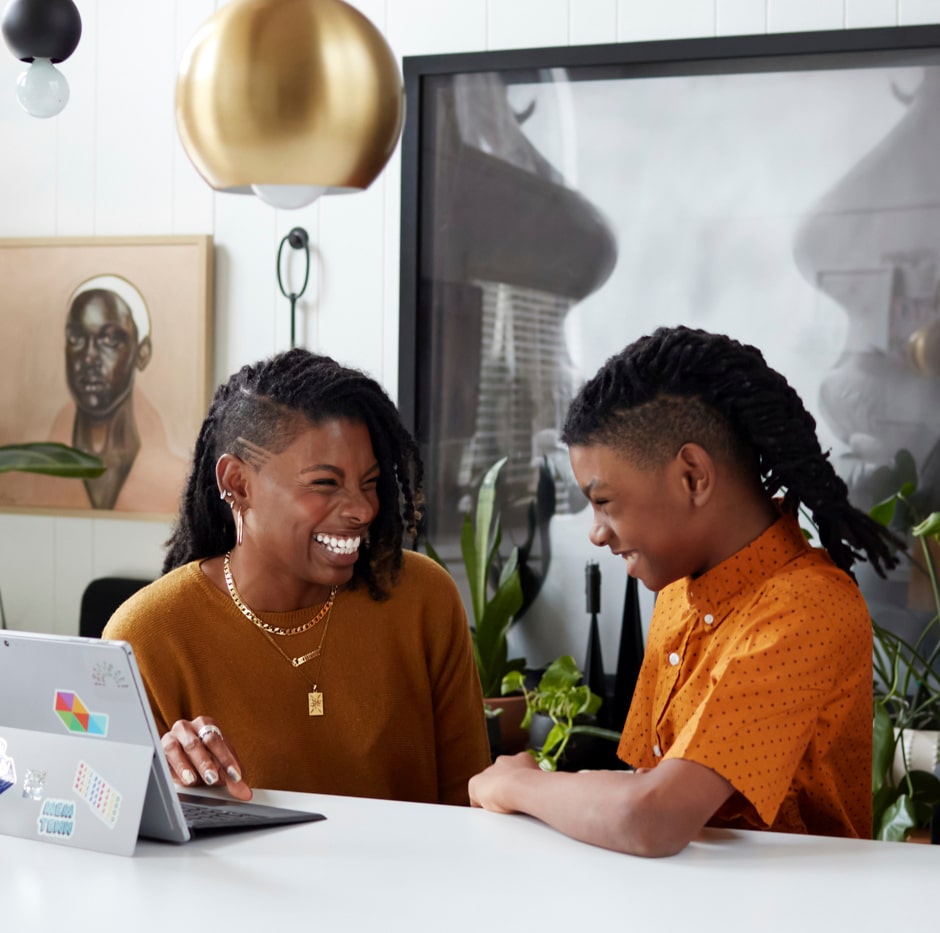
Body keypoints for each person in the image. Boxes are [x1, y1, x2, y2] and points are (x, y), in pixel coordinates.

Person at [468, 325, 900, 855]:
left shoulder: (808, 607)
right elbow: (641, 786)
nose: (596, 532)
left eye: (604, 501)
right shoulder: (676, 596)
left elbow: (654, 817)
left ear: (693, 476)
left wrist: (519, 781)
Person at [103, 348, 490, 805]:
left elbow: (472, 808)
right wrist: (157, 784)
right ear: (238, 484)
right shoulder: (146, 637)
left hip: (415, 878)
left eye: (370, 482)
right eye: (325, 484)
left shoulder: (423, 599)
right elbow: (110, 832)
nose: (364, 509)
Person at [56, 274, 187, 512]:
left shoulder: (178, 479)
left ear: (142, 353)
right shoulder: (33, 471)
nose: (89, 358)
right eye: (76, 338)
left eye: (109, 339)